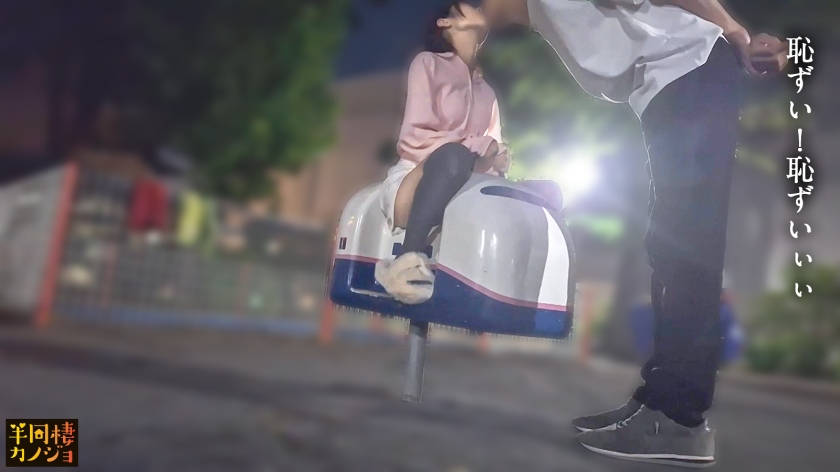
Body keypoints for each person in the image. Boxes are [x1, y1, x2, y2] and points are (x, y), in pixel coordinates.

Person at [480, 0, 788, 466]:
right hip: (675, 81)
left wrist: (734, 31)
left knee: (689, 248)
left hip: (691, 69)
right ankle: (658, 400)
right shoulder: (539, 12)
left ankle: (680, 419)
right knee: (668, 246)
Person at [375, 2, 510, 305]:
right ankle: (406, 261)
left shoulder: (488, 93)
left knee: (541, 191)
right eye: (469, 5)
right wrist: (474, 146)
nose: (480, 6)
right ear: (445, 22)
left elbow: (491, 152)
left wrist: (499, 157)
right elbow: (415, 137)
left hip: (467, 187)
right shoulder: (427, 64)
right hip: (416, 179)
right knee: (454, 158)